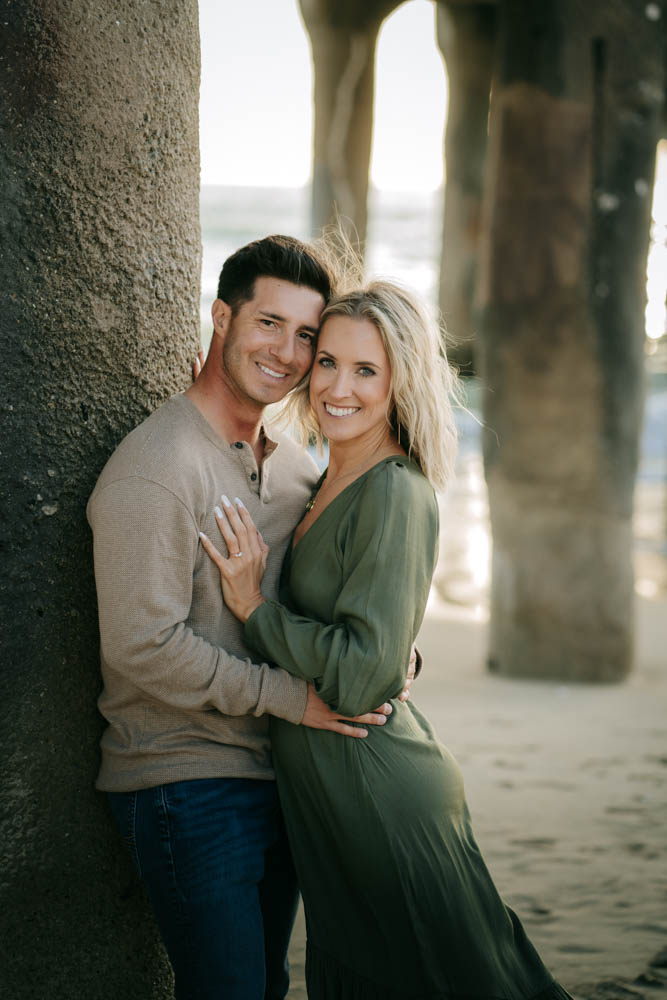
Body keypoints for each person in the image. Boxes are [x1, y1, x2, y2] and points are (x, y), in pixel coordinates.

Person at [200, 280, 574, 1000]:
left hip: (380, 797)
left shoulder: (394, 491)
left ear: (400, 379)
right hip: (332, 803)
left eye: (366, 370)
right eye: (329, 362)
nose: (339, 387)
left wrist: (255, 611)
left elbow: (363, 678)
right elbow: (373, 636)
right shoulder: (325, 477)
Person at [87, 235, 418, 1000]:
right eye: (268, 323)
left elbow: (334, 595)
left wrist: (388, 652)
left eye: (307, 335)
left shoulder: (298, 462)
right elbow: (143, 647)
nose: (288, 352)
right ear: (220, 317)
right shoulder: (156, 468)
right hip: (186, 782)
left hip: (280, 775)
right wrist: (290, 699)